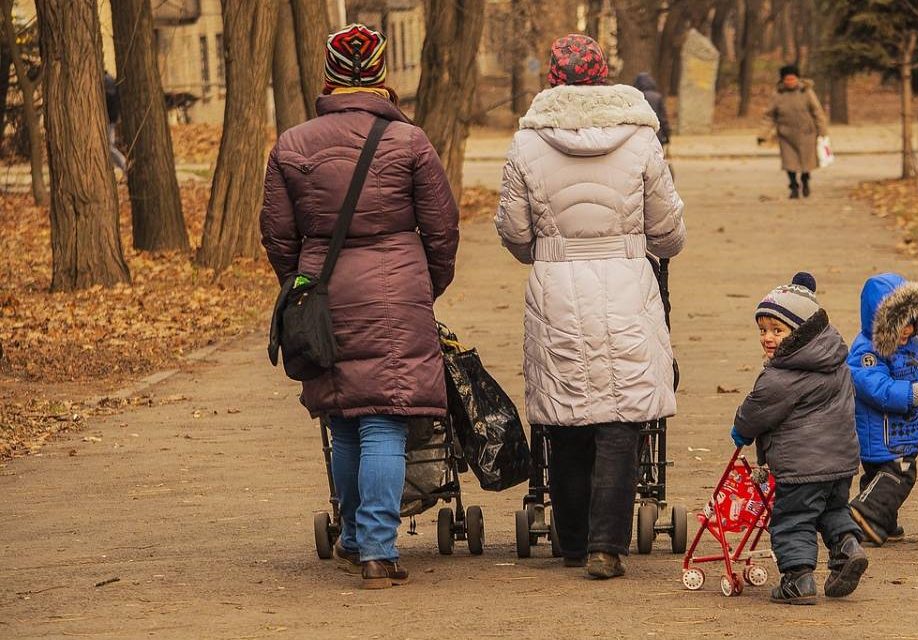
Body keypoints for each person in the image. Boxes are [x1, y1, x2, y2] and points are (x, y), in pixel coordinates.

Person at [259, 24, 460, 589]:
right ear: (379, 76)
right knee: (385, 425)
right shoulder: (409, 142)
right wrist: (426, 286)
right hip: (397, 291)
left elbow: (277, 235)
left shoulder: (292, 145)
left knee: (344, 421)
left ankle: (353, 538)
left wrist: (303, 290)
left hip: (324, 291)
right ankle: (376, 548)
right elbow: (442, 230)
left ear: (329, 77)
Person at [495, 34, 685, 579]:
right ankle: (607, 546)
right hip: (626, 284)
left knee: (567, 416)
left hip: (556, 286)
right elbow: (668, 232)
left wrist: (549, 252)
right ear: (604, 77)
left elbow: (513, 230)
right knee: (621, 417)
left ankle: (573, 541)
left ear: (552, 80)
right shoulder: (641, 139)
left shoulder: (526, 144)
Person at [730, 272, 868, 605]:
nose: (767, 338)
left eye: (777, 330)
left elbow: (756, 410)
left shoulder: (782, 376)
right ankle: (847, 547)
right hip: (840, 463)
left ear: (801, 333)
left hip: (800, 468)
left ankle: (798, 579)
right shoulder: (836, 362)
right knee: (831, 510)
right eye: (763, 330)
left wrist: (741, 431)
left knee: (793, 519)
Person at [846, 273, 918, 546]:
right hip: (881, 432)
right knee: (900, 473)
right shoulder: (867, 350)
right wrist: (908, 393)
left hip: (900, 430)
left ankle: (882, 522)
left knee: (880, 476)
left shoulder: (911, 343)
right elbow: (871, 384)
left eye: (912, 324)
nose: (908, 331)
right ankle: (863, 513)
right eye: (900, 325)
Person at [757, 65, 827, 199]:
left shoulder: (806, 92)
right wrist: (762, 134)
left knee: (807, 163)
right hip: (786, 135)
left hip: (807, 133)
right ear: (783, 80)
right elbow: (769, 116)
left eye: (792, 79)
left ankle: (805, 181)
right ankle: (793, 185)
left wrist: (822, 131)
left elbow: (817, 112)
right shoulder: (778, 94)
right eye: (787, 80)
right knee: (789, 163)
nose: (790, 82)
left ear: (797, 79)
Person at [633, 72, 670, 154]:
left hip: (640, 135)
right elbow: (663, 119)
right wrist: (667, 135)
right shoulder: (657, 97)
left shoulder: (636, 96)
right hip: (657, 135)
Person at [102, 71, 127, 172]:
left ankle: (123, 163)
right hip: (111, 118)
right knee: (108, 145)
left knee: (108, 146)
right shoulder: (108, 79)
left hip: (110, 119)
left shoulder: (106, 80)